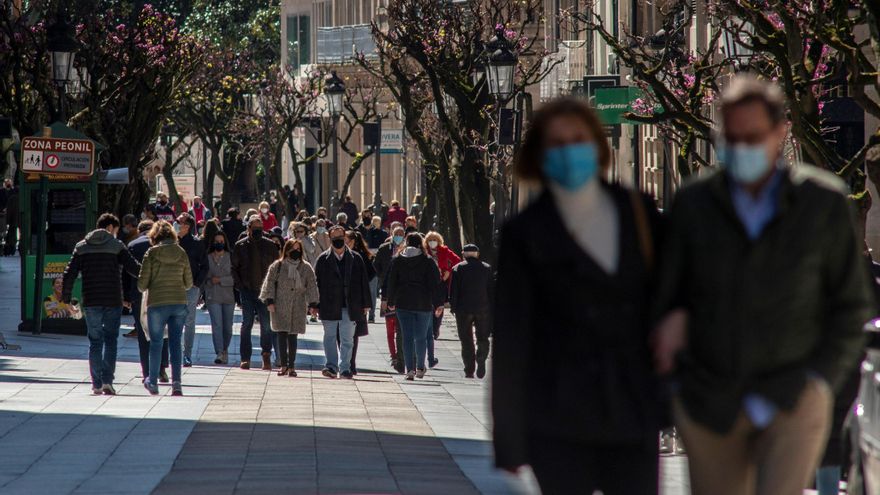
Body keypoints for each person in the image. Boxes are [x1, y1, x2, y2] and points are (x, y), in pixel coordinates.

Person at [651, 76, 873, 495]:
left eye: (753, 136)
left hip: (795, 397)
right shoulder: (694, 204)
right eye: (732, 137)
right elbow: (667, 294)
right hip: (711, 401)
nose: (743, 147)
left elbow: (851, 305)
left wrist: (819, 380)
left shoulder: (821, 203)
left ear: (780, 132)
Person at [492, 97, 666, 494]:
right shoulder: (526, 231)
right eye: (557, 144)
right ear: (539, 155)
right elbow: (512, 336)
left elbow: (672, 293)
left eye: (578, 139)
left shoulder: (637, 212)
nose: (569, 151)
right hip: (556, 415)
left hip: (631, 407)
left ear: (597, 146)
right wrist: (509, 440)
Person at [62, 213, 141, 396]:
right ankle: (107, 381)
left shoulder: (81, 247)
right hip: (113, 300)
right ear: (110, 228)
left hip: (91, 300)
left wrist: (66, 299)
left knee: (95, 342)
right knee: (111, 341)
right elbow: (134, 268)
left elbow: (69, 273)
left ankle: (96, 383)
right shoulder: (117, 245)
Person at [138, 221, 193, 396]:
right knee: (176, 343)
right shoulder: (181, 252)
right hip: (178, 302)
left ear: (154, 236)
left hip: (157, 303)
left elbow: (141, 284)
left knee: (156, 343)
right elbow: (189, 283)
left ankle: (152, 381)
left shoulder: (151, 253)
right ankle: (177, 384)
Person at [313, 226, 372, 379]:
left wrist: (366, 304)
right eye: (335, 238)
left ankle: (345, 368)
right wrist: (313, 305)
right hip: (329, 304)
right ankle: (331, 367)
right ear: (330, 239)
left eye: (340, 237)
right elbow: (315, 283)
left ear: (345, 237)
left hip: (350, 304)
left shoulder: (356, 258)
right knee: (329, 338)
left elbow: (363, 282)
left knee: (347, 339)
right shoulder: (322, 259)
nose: (338, 240)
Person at [385, 233, 444, 381]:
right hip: (423, 303)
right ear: (421, 244)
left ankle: (409, 369)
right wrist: (438, 303)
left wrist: (390, 301)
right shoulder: (427, 261)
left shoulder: (398, 260)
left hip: (403, 302)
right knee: (421, 337)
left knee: (406, 336)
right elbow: (435, 284)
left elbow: (392, 282)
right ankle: (420, 367)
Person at [260, 239, 319, 377]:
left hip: (298, 304)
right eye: (292, 249)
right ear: (286, 250)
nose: (295, 252)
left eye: (298, 249)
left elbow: (311, 286)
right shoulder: (277, 265)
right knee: (281, 334)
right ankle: (283, 365)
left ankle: (292, 366)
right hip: (280, 304)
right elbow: (269, 283)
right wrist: (269, 301)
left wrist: (313, 304)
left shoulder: (306, 267)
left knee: (293, 336)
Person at [125, 220, 170, 383]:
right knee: (162, 332)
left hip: (139, 294)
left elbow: (126, 272)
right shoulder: (163, 245)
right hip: (162, 294)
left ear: (139, 230)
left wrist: (126, 297)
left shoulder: (133, 245)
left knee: (144, 334)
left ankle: (147, 372)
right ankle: (162, 367)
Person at [232, 217, 278, 370]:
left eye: (260, 227)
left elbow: (276, 268)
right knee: (247, 324)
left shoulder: (270, 246)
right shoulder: (240, 245)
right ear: (249, 228)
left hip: (265, 292)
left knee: (266, 326)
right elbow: (234, 268)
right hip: (247, 291)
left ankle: (266, 356)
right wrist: (240, 286)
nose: (258, 230)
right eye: (255, 227)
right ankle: (245, 358)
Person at [449, 244, 492, 379]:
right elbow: (491, 290)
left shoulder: (457, 269)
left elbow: (454, 291)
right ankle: (481, 358)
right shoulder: (487, 268)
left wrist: (453, 307)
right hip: (483, 308)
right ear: (477, 254)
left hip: (463, 309)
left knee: (466, 339)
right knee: (483, 337)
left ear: (463, 254)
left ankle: (469, 369)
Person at [176, 213, 208, 367]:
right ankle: (174, 353)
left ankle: (186, 354)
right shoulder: (171, 243)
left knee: (189, 321)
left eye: (179, 222)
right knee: (172, 320)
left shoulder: (197, 244)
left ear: (187, 226)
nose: (175, 224)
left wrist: (197, 284)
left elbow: (205, 266)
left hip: (191, 287)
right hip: (172, 287)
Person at [424, 231, 460, 368]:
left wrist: (448, 271)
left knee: (439, 307)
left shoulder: (444, 251)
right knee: (429, 306)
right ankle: (431, 327)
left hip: (440, 283)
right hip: (428, 284)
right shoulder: (424, 252)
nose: (432, 241)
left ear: (439, 241)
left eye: (435, 239)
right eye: (430, 239)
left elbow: (457, 261)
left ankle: (435, 327)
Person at [374, 224, 405, 369]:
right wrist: (382, 276)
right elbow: (376, 265)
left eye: (401, 233)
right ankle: (393, 356)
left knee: (401, 329)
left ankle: (401, 356)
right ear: (392, 234)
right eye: (396, 233)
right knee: (390, 329)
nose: (399, 235)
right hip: (386, 292)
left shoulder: (407, 250)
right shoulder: (384, 248)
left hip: (402, 295)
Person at [345, 230, 375, 368]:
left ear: (353, 241)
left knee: (354, 333)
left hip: (357, 298)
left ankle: (351, 361)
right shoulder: (340, 253)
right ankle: (346, 360)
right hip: (344, 297)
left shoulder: (360, 256)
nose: (345, 243)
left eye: (347, 240)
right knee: (343, 332)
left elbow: (371, 273)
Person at [205, 231, 235, 365]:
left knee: (228, 326)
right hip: (213, 295)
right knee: (217, 325)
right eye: (217, 241)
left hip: (228, 296)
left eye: (221, 241)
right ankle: (219, 351)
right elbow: (204, 276)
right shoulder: (208, 257)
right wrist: (210, 281)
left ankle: (225, 349)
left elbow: (235, 277)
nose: (219, 243)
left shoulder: (231, 257)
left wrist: (221, 280)